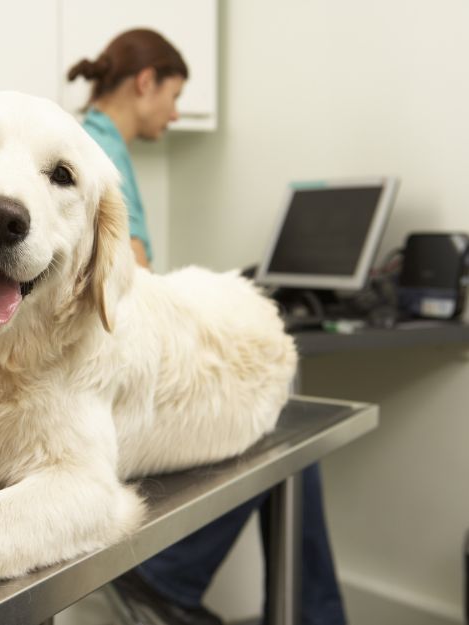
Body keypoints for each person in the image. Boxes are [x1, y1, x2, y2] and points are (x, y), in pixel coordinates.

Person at [68, 29, 347, 625]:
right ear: (146, 82)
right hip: (97, 388)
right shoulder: (100, 156)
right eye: (173, 95)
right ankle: (171, 578)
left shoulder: (87, 142)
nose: (175, 112)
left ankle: (187, 581)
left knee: (275, 412)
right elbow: (129, 291)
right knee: (276, 405)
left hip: (89, 376)